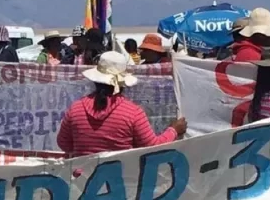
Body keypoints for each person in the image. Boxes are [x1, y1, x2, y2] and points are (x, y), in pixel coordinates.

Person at [57, 52, 187, 157]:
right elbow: (152, 147)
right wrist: (173, 130)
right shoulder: (132, 113)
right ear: (122, 83)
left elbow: (64, 144)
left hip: (81, 179)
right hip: (122, 179)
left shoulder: (76, 109)